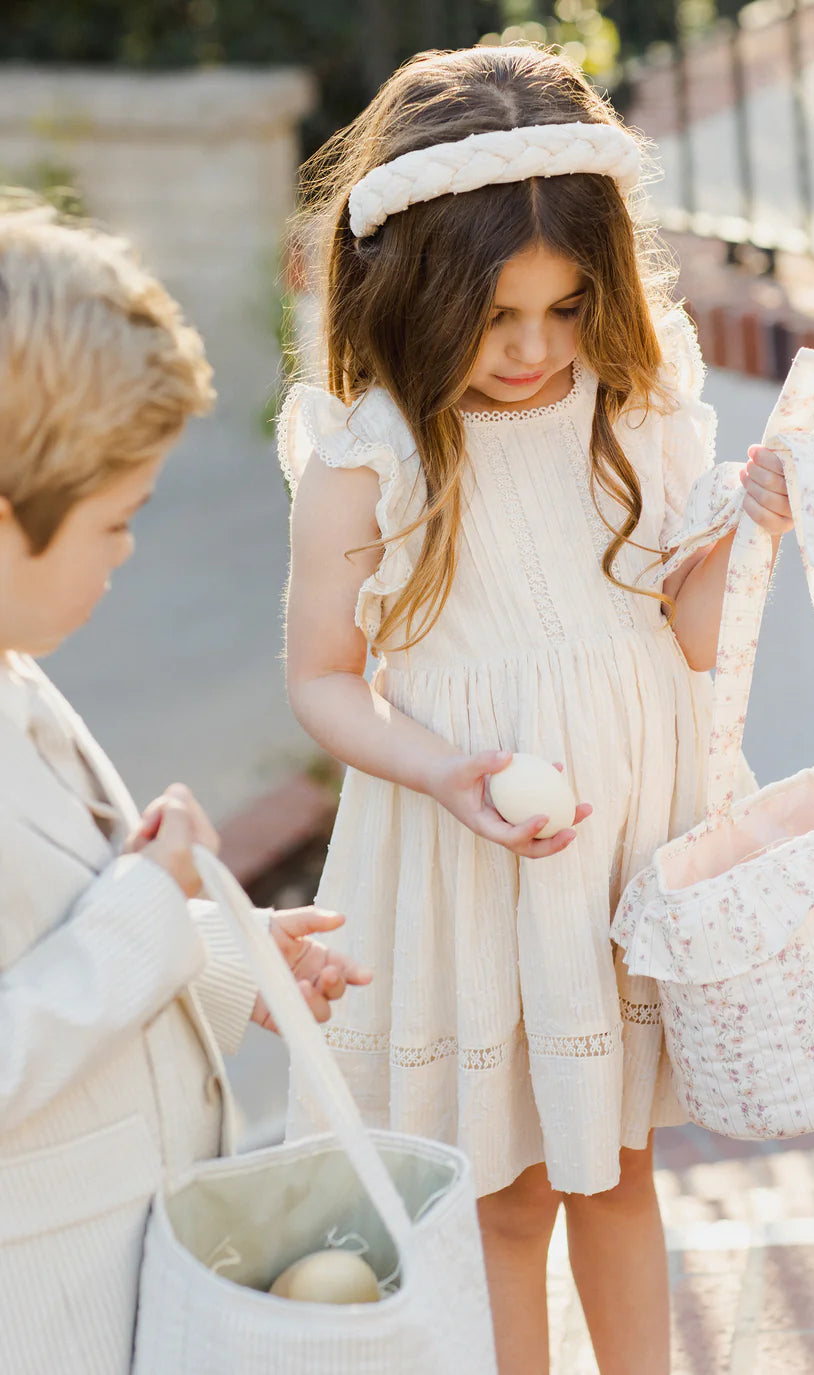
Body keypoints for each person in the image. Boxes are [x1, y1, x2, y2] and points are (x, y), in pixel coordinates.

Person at [279, 45, 792, 1375]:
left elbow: (682, 635)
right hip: (471, 848)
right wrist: (444, 766)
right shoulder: (373, 447)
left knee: (617, 1165)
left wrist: (750, 525)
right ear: (414, 291)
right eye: (496, 315)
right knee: (507, 1188)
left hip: (620, 836)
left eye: (566, 309)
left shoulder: (641, 409)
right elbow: (325, 675)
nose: (530, 349)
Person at [0, 202, 371, 1375]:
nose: (124, 557)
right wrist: (141, 915)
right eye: (115, 523)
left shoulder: (17, 668)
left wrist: (216, 952)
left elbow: (45, 949)